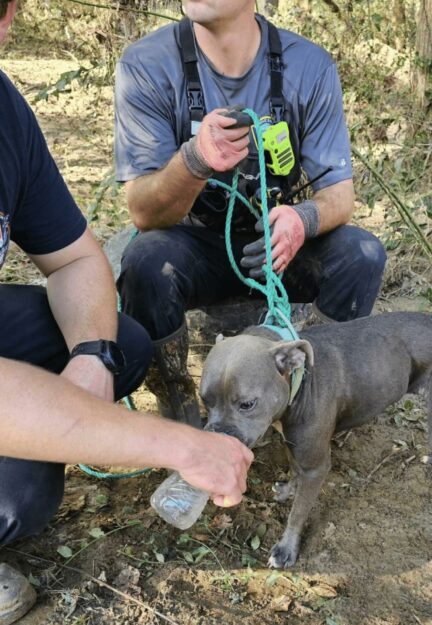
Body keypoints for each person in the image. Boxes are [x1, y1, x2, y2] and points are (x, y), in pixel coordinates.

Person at [0, 2, 253, 623]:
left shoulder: (3, 109)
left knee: (125, 344)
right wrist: (177, 446)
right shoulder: (151, 67)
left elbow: (77, 260)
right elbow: (144, 210)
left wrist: (91, 355)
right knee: (16, 496)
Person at [114, 0, 388, 427]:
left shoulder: (308, 66)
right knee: (147, 262)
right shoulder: (147, 64)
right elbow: (144, 211)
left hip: (276, 243)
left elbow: (339, 194)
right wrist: (194, 159)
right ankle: (179, 406)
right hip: (193, 244)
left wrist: (303, 220)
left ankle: (314, 401)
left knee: (362, 255)